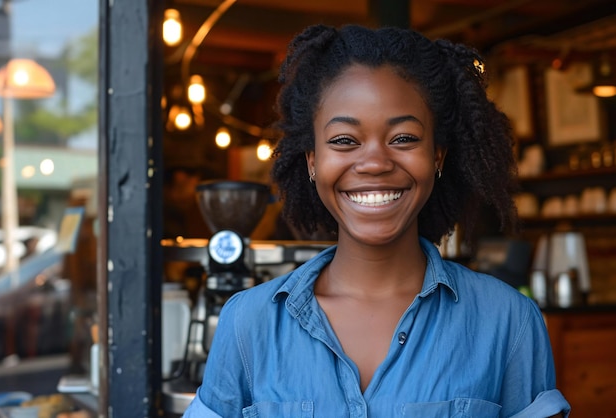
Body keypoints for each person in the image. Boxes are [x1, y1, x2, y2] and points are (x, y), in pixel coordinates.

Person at [182, 24, 570, 417]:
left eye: (403, 138)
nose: (374, 163)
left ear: (437, 157)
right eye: (344, 140)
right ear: (313, 161)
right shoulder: (248, 321)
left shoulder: (508, 321)